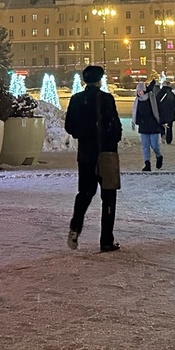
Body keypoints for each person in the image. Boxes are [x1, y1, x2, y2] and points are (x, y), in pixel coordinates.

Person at [63, 64, 122, 253]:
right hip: (106, 154)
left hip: (86, 154)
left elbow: (70, 127)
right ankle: (106, 240)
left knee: (85, 193)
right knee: (109, 197)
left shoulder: (76, 99)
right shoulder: (106, 99)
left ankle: (75, 227)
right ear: (100, 79)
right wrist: (111, 139)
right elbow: (115, 126)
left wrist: (84, 135)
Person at [131, 80, 164, 171]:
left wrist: (161, 121)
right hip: (143, 125)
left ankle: (159, 156)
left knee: (154, 145)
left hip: (153, 125)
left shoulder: (152, 98)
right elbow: (135, 112)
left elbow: (158, 110)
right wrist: (135, 121)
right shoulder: (137, 101)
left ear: (144, 90)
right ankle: (147, 164)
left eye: (140, 90)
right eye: (137, 91)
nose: (138, 93)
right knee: (145, 146)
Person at [157, 79, 175, 145]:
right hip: (170, 113)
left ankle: (162, 135)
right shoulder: (171, 94)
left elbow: (156, 102)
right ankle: (169, 140)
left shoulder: (159, 93)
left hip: (161, 113)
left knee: (161, 124)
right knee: (169, 127)